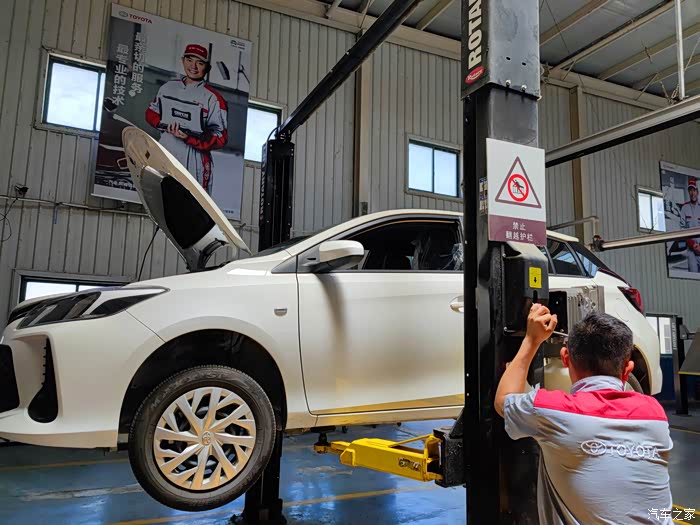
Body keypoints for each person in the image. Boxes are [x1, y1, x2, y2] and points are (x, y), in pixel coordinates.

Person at [495, 306, 673, 525]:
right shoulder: (655, 414)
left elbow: (503, 400)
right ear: (628, 369)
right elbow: (655, 512)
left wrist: (532, 340)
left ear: (565, 358)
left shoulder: (553, 411)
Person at [145, 43, 228, 194]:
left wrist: (190, 138)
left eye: (200, 63)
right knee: (161, 197)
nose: (193, 66)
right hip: (166, 150)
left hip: (196, 159)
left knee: (192, 202)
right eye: (189, 60)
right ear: (183, 60)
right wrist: (163, 125)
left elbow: (220, 137)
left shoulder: (214, 99)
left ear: (207, 67)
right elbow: (151, 112)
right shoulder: (168, 87)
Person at [680, 178, 700, 272]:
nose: (692, 193)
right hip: (691, 250)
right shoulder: (684, 208)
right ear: (688, 192)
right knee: (693, 274)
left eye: (694, 190)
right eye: (690, 190)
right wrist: (692, 244)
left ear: (697, 192)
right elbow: (682, 229)